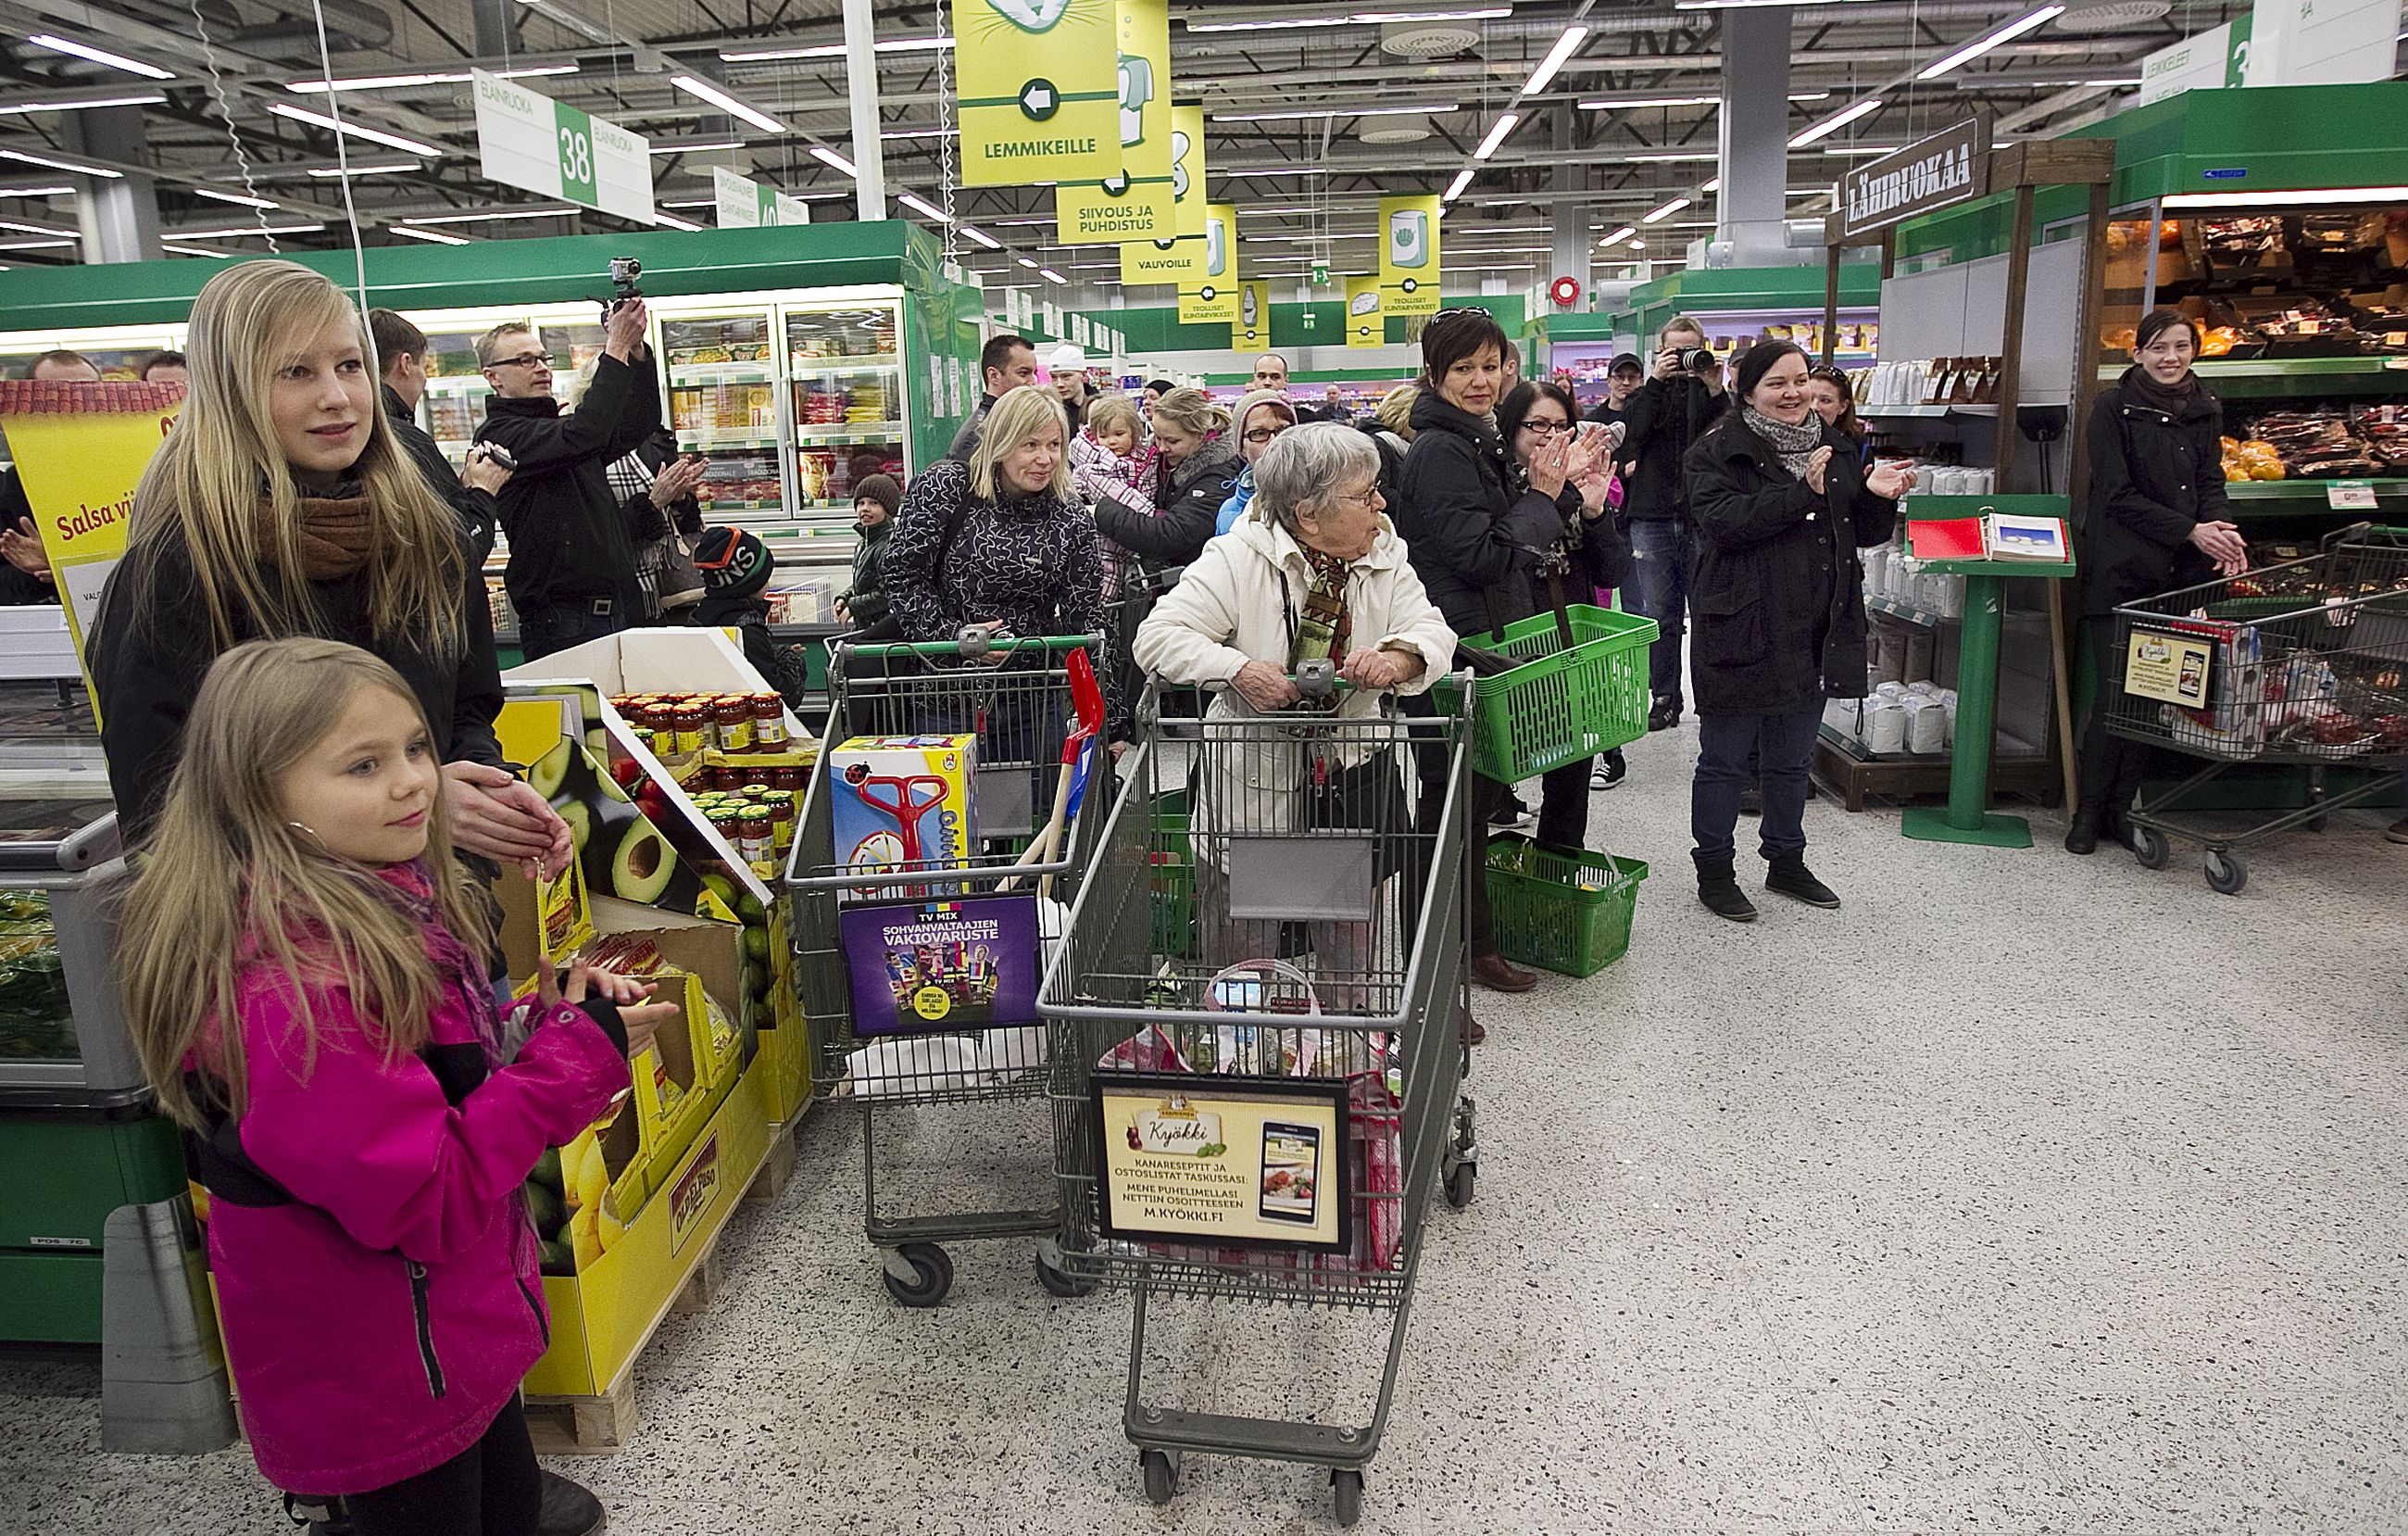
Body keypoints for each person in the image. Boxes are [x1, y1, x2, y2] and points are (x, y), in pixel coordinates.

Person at [115, 636, 675, 1536]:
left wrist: (550, 1027)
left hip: (445, 1331)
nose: (415, 781)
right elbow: (428, 1193)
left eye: (416, 747)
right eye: (364, 764)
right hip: (381, 1371)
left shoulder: (381, 898)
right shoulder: (292, 994)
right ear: (261, 793)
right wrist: (569, 1064)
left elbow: (433, 1076)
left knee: (509, 1505)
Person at [90, 259, 571, 890]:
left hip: (447, 919)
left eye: (348, 366)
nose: (337, 397)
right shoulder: (180, 572)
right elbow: (165, 810)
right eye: (295, 372)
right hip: (292, 958)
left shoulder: (425, 535)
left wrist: (480, 786)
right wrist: (416, 806)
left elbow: (464, 710)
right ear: (230, 390)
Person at [1133, 424, 1455, 996]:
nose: (1380, 505)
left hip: (1352, 779)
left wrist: (1399, 658)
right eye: (1365, 495)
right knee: (1241, 953)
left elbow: (1431, 630)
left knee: (1350, 948)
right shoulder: (1236, 556)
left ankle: (1345, 1051)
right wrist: (1236, 669)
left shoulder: (1385, 554)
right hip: (1251, 784)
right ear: (1308, 513)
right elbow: (1158, 636)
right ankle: (1239, 1057)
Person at [1392, 308, 1609, 995]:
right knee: (1451, 813)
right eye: (1464, 368)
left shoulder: (1473, 440)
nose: (1482, 380)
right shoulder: (1440, 451)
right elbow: (1483, 557)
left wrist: (1558, 488)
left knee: (1470, 807)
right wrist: (1545, 494)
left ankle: (1471, 944)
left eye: (1491, 365)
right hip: (1458, 653)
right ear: (1434, 372)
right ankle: (1438, 967)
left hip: (1482, 644)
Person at [1684, 341, 1912, 923]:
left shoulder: (1836, 447)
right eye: (1776, 384)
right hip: (1741, 623)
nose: (1793, 394)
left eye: (1801, 380)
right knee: (1726, 762)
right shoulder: (1715, 451)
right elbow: (1725, 525)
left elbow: (1856, 530)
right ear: (1747, 390)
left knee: (1792, 760)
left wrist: (1880, 501)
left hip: (1816, 623)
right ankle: (1714, 870)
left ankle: (1786, 860)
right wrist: (1799, 494)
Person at [2066, 308, 2246, 857]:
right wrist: (2192, 530)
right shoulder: (2113, 409)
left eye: (2181, 347)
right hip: (2122, 571)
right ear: (2137, 353)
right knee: (2116, 694)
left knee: (2155, 693)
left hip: (2180, 577)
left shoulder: (2205, 408)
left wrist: (2223, 532)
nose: (2171, 358)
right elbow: (2116, 496)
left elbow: (2211, 479)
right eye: (2159, 348)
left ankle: (2121, 811)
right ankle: (2088, 812)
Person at [471, 304, 661, 661]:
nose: (542, 367)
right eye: (524, 360)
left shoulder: (557, 431)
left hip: (611, 611)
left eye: (544, 358)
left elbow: (639, 422)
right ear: (492, 377)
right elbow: (585, 435)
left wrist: (636, 351)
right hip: (562, 621)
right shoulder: (501, 436)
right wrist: (615, 347)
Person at [1498, 379, 1631, 804]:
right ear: (1511, 430)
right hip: (1512, 646)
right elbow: (1494, 559)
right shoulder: (1497, 490)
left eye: (1562, 425)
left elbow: (1613, 572)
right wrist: (1547, 494)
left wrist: (1594, 513)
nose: (1552, 435)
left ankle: (1562, 862)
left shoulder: (1580, 489)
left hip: (1570, 643)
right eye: (1537, 425)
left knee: (1571, 777)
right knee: (1497, 769)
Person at [884, 385, 1105, 644]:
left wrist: (1100, 679)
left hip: (1033, 676)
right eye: (1030, 445)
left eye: (1054, 445)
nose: (1045, 459)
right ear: (1001, 443)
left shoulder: (1071, 520)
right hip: (945, 672)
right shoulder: (945, 489)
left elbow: (1084, 616)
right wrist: (952, 636)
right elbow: (902, 575)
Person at [1623, 313, 1731, 731]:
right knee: (1661, 616)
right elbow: (1632, 435)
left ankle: (1711, 695)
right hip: (1651, 513)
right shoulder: (1648, 394)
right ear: (1662, 352)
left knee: (1707, 612)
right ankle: (1664, 696)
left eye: (1691, 349)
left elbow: (1729, 435)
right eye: (1676, 351)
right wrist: (1655, 382)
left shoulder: (1710, 392)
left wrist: (1714, 386)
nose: (1685, 358)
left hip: (1704, 516)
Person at [368, 308, 513, 561]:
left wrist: (461, 491)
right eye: (423, 366)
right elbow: (459, 549)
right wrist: (482, 490)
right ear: (405, 364)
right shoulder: (404, 442)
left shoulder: (360, 433)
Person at [1087, 385, 1236, 571]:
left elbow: (1170, 535)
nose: (1162, 448)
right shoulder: (1156, 461)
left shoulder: (1218, 479)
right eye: (1157, 438)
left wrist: (1100, 511)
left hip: (1191, 580)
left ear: (1200, 436)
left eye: (1172, 441)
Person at [0, 348, 103, 604]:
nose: (78, 406)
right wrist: (39, 571)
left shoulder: (143, 470)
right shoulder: (11, 488)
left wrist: (64, 567)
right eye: (58, 394)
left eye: (89, 394)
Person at [1213, 389, 1299, 536]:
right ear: (1242, 448)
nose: (1274, 441)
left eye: (1283, 429)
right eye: (1259, 433)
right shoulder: (1230, 512)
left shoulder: (1323, 498)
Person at [947, 334, 1039, 461]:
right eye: (1023, 373)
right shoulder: (979, 434)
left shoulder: (1007, 421)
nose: (1033, 382)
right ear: (994, 376)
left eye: (1034, 373)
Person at [834, 471, 900, 630]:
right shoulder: (864, 544)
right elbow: (866, 581)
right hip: (868, 626)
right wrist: (846, 596)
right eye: (861, 503)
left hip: (884, 630)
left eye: (873, 503)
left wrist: (854, 606)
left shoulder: (889, 545)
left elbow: (887, 593)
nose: (865, 509)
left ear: (888, 509)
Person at [1806, 363, 1868, 450]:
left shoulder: (1856, 448)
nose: (1814, 407)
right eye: (1809, 398)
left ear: (1843, 407)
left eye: (1825, 400)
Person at [1584, 351, 1644, 428]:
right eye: (1619, 377)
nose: (1626, 383)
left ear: (1641, 382)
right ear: (1609, 381)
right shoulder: (1592, 422)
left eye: (1632, 377)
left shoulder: (1649, 419)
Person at [1048, 344, 1091, 433]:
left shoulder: (1099, 409)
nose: (1059, 384)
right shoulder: (1048, 412)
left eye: (1066, 376)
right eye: (1054, 377)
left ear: (1083, 375)